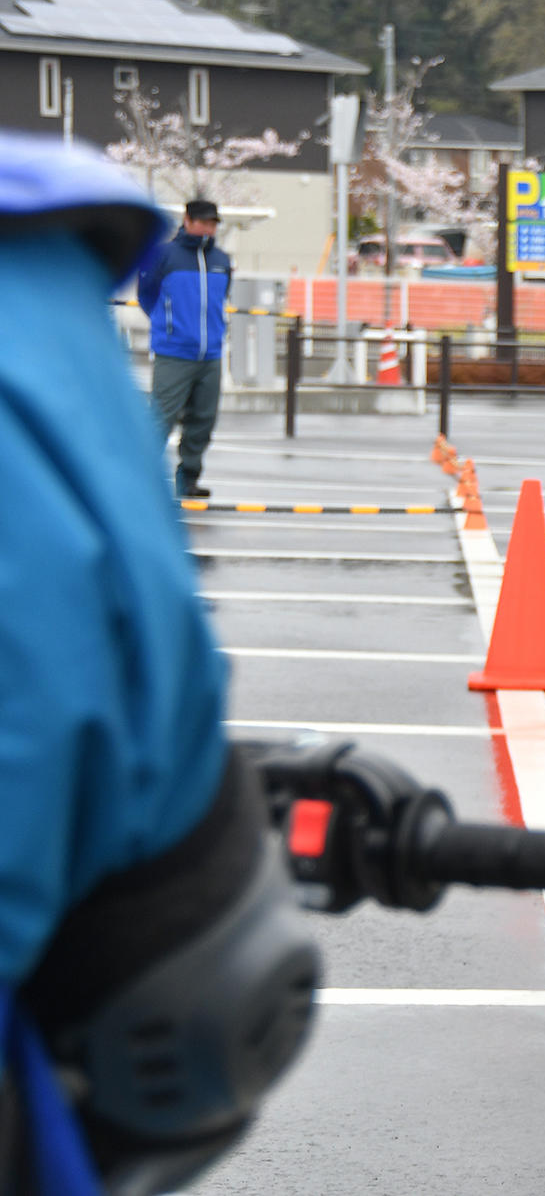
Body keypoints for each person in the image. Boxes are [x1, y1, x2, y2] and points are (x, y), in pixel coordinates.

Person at [0, 136, 317, 1191]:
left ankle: (197, 471)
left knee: (198, 424)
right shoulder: (55, 287)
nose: (210, 234)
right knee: (167, 414)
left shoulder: (116, 280)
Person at [137, 197, 231, 498]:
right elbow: (146, 295)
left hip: (211, 354)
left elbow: (222, 297)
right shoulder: (165, 255)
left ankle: (188, 478)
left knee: (202, 421)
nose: (208, 228)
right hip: (174, 352)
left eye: (212, 223)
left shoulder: (222, 260)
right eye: (202, 221)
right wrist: (167, 326)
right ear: (187, 221)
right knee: (161, 418)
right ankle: (140, 479)